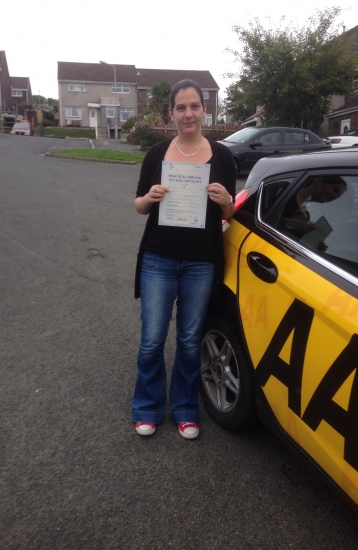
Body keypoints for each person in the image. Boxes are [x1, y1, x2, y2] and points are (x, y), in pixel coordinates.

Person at [132, 79, 236, 439]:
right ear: (171, 113)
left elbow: (230, 213)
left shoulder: (222, 156)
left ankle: (185, 409)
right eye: (181, 107)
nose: (188, 113)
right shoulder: (156, 153)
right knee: (152, 339)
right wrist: (151, 196)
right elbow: (139, 206)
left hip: (201, 261)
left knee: (191, 341)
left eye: (195, 106)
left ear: (205, 111)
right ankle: (147, 406)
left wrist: (225, 199)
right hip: (158, 258)